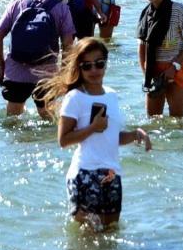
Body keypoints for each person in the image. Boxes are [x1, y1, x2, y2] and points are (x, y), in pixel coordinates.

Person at [38, 37, 152, 229]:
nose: (94, 71)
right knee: (89, 238)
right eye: (87, 66)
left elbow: (112, 138)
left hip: (111, 173)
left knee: (111, 235)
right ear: (79, 68)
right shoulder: (75, 98)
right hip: (84, 174)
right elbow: (63, 140)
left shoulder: (112, 95)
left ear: (106, 65)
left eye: (99, 64)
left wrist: (136, 134)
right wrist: (92, 127)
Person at [0, 0, 76, 118]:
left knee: (13, 119)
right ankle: (47, 141)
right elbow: (68, 45)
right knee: (47, 118)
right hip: (46, 71)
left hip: (16, 69)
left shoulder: (17, 3)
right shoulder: (62, 8)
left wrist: (1, 67)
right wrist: (63, 74)